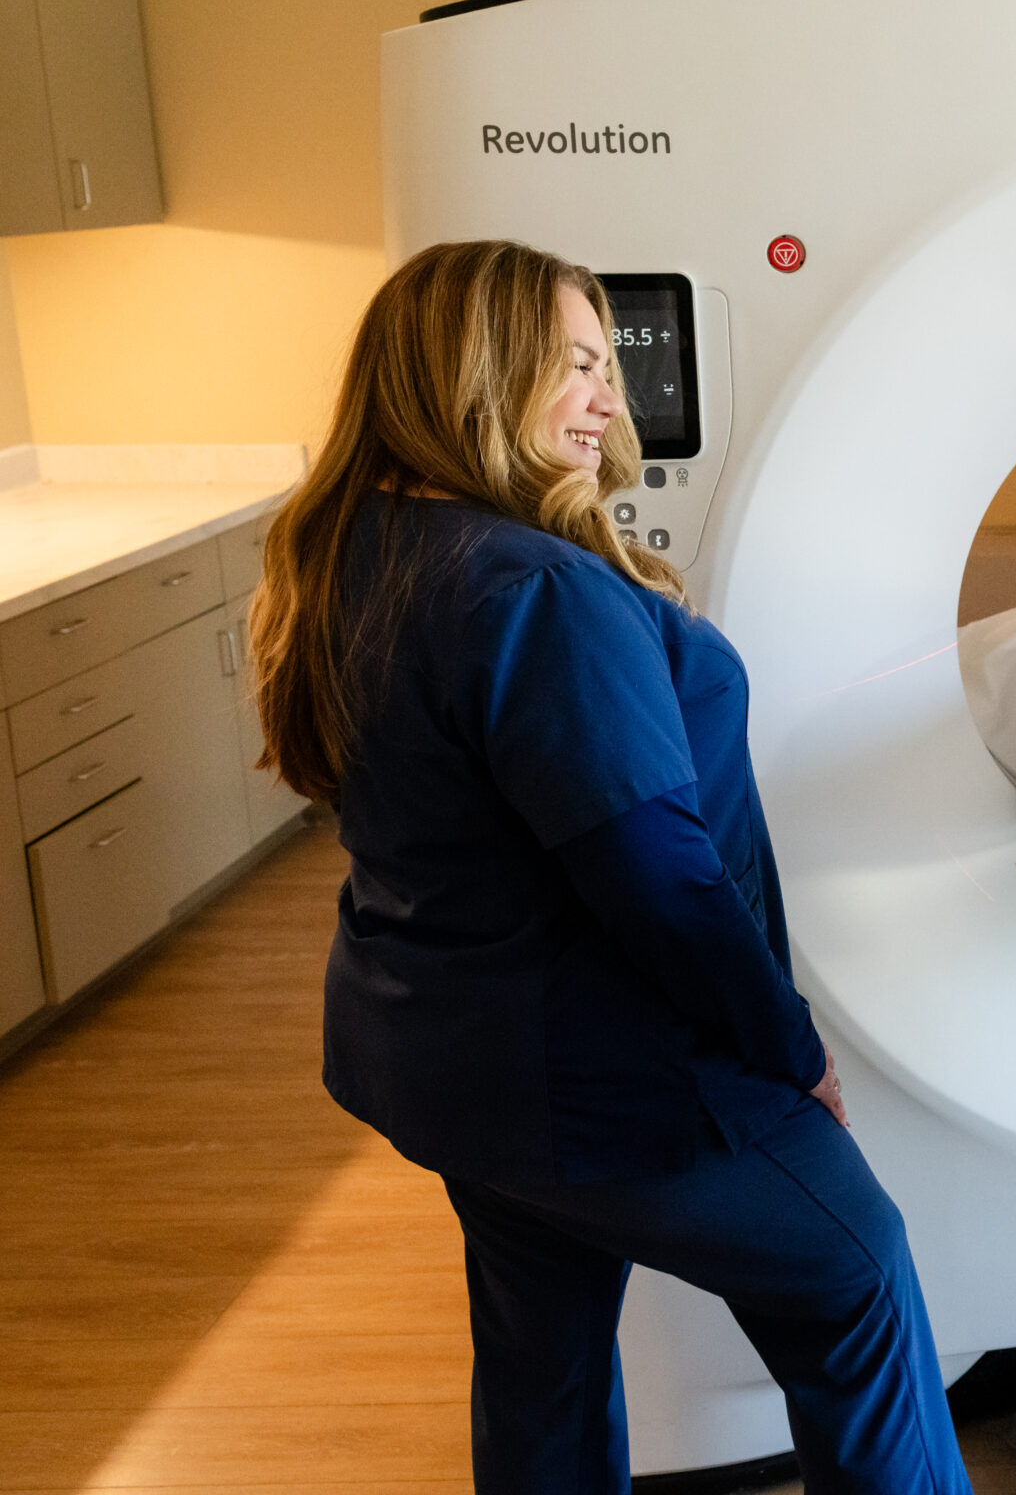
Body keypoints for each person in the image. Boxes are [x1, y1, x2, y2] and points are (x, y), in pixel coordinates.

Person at [249, 240, 969, 1495]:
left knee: (545, 1355)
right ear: (480, 373)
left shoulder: (357, 549)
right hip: (598, 1070)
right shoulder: (530, 589)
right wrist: (786, 1048)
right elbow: (654, 870)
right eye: (576, 366)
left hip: (442, 1058)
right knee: (856, 1276)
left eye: (607, 369)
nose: (607, 399)